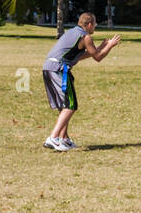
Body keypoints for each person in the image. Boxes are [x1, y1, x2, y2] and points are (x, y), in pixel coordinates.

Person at [42, 12, 120, 151]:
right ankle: (53, 138)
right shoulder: (86, 37)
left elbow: (80, 56)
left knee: (64, 105)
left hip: (48, 67)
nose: (95, 26)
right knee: (70, 105)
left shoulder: (72, 32)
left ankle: (64, 139)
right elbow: (98, 57)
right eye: (95, 24)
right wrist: (110, 46)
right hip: (58, 70)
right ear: (89, 24)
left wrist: (101, 46)